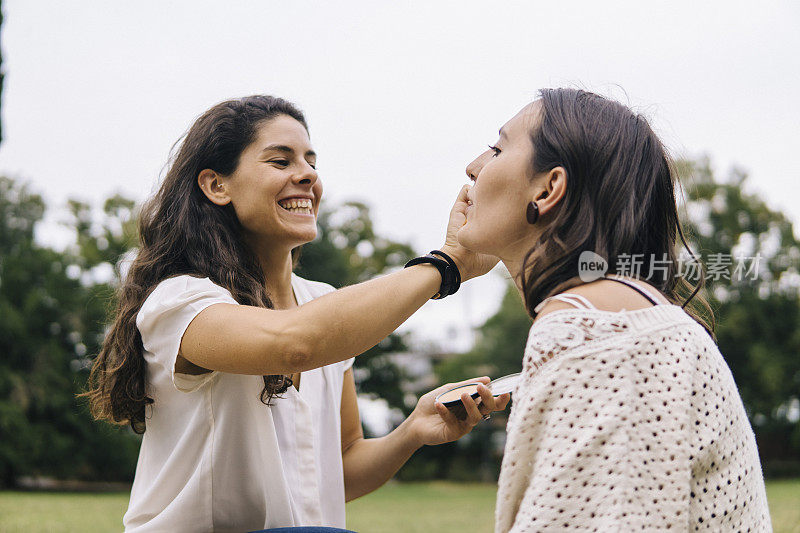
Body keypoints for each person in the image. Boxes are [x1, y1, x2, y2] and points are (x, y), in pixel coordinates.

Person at [80, 95, 510, 533]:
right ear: (216, 186)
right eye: (280, 161)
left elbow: (335, 471)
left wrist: (412, 431)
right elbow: (293, 345)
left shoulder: (322, 304)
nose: (307, 175)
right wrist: (446, 265)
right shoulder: (181, 301)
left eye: (310, 161)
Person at [456, 88, 771, 531]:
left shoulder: (599, 334)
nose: (472, 166)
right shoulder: (613, 318)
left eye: (498, 147)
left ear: (549, 189)